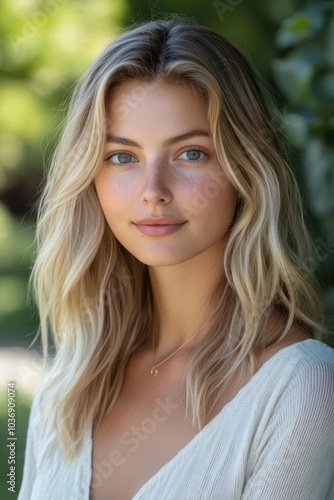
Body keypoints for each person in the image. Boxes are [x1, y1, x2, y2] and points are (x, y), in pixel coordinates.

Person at [18, 14, 334, 500]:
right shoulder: (71, 385)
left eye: (191, 154)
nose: (153, 192)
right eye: (122, 156)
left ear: (245, 168)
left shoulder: (302, 389)